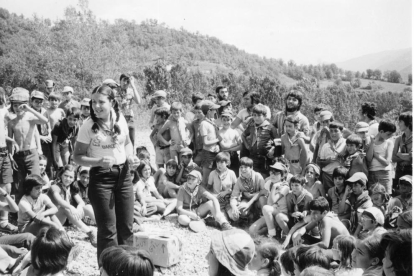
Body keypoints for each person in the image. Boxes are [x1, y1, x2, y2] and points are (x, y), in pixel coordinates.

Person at [73, 84, 140, 262]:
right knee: (108, 231)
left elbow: (126, 144)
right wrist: (98, 162)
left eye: (101, 102)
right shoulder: (88, 126)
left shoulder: (120, 119)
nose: (96, 106)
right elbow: (77, 157)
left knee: (126, 228)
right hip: (102, 179)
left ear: (112, 102)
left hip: (124, 176)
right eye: (93, 102)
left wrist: (131, 157)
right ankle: (108, 270)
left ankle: (128, 269)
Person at [8, 88, 49, 202]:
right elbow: (10, 141)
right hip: (18, 156)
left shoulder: (30, 119)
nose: (17, 108)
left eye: (20, 105)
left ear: (25, 106)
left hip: (31, 154)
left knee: (35, 182)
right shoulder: (11, 122)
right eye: (15, 105)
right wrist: (11, 157)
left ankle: (37, 207)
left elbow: (45, 120)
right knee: (19, 184)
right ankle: (20, 212)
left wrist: (29, 109)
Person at [48, 165, 97, 246]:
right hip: (53, 219)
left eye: (71, 177)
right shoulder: (55, 187)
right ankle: (89, 232)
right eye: (66, 176)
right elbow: (59, 201)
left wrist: (79, 207)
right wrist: (71, 207)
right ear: (61, 175)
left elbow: (81, 202)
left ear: (74, 178)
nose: (68, 179)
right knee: (65, 208)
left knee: (87, 207)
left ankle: (102, 227)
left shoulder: (70, 188)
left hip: (68, 217)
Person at [250, 162, 290, 237]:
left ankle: (272, 234)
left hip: (281, 215)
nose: (272, 175)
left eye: (276, 173)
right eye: (271, 173)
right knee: (252, 230)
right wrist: (248, 203)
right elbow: (264, 197)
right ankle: (272, 229)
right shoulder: (269, 182)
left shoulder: (285, 187)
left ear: (282, 176)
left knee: (266, 208)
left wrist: (274, 187)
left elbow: (272, 202)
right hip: (270, 214)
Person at [0, 88, 19, 233]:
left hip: (4, 152)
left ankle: (3, 222)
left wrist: (11, 140)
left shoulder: (3, 112)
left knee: (6, 187)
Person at [242, 105, 277, 177]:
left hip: (265, 158)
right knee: (253, 177)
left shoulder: (270, 127)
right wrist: (247, 146)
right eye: (254, 115)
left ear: (265, 116)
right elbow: (243, 135)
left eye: (259, 115)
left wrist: (273, 149)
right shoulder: (251, 126)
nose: (256, 118)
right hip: (253, 157)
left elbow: (278, 141)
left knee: (265, 177)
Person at [230, 157, 265, 222]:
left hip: (258, 199)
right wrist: (234, 206)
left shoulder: (258, 176)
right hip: (246, 200)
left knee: (262, 199)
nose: (243, 169)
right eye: (241, 167)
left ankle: (264, 218)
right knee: (241, 211)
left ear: (251, 168)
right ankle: (252, 215)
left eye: (245, 167)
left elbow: (264, 191)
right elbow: (233, 196)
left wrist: (252, 197)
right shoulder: (239, 180)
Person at [366, 120, 396, 193]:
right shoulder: (370, 140)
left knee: (385, 197)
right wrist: (372, 144)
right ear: (381, 131)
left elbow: (386, 162)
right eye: (389, 134)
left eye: (392, 134)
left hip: (384, 173)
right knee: (372, 198)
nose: (390, 136)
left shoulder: (389, 143)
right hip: (371, 173)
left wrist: (374, 154)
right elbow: (369, 158)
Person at [207, 152, 237, 221]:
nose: (219, 165)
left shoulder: (231, 173)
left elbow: (236, 189)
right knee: (221, 219)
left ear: (227, 163)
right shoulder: (212, 173)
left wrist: (227, 192)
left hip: (228, 200)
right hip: (217, 201)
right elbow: (207, 189)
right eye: (217, 162)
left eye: (221, 162)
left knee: (235, 217)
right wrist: (214, 196)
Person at [317, 121, 347, 191]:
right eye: (331, 131)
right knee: (329, 196)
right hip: (328, 176)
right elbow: (320, 163)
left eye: (336, 131)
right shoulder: (325, 146)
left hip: (341, 176)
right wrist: (328, 161)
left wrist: (342, 158)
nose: (333, 134)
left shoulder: (346, 143)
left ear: (341, 132)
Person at [30, 91, 53, 179]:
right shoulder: (29, 112)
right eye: (36, 101)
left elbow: (48, 124)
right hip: (34, 143)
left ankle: (48, 183)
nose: (38, 104)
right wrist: (41, 137)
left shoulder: (44, 111)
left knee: (47, 163)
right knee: (37, 164)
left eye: (40, 101)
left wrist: (49, 134)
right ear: (31, 101)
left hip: (46, 141)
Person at [115, 74, 142, 148]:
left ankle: (130, 156)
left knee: (131, 140)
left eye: (127, 81)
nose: (125, 83)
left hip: (129, 118)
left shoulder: (131, 91)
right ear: (120, 81)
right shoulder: (114, 91)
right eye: (123, 80)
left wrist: (133, 85)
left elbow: (138, 101)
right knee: (120, 139)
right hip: (119, 118)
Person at [199, 100, 221, 185]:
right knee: (206, 178)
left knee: (214, 177)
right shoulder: (204, 123)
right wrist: (218, 139)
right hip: (208, 153)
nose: (215, 111)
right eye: (214, 110)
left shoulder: (212, 122)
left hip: (215, 152)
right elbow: (205, 142)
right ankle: (202, 196)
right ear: (209, 111)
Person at [392, 111, 412, 190]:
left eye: (400, 121)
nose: (398, 124)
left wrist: (399, 154)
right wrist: (407, 157)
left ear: (408, 122)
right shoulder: (398, 139)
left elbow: (411, 158)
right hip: (399, 171)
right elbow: (393, 158)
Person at [218, 111, 242, 175]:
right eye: (224, 120)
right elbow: (223, 146)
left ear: (231, 120)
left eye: (228, 120)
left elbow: (241, 146)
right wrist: (236, 144)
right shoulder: (219, 132)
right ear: (221, 120)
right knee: (224, 173)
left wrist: (230, 149)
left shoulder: (235, 132)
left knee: (235, 173)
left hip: (234, 154)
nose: (226, 122)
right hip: (224, 155)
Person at [190, 102, 204, 166]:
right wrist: (194, 149)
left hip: (205, 149)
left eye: (199, 112)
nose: (197, 114)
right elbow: (194, 137)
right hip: (197, 149)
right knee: (196, 164)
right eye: (196, 113)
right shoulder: (194, 123)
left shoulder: (207, 122)